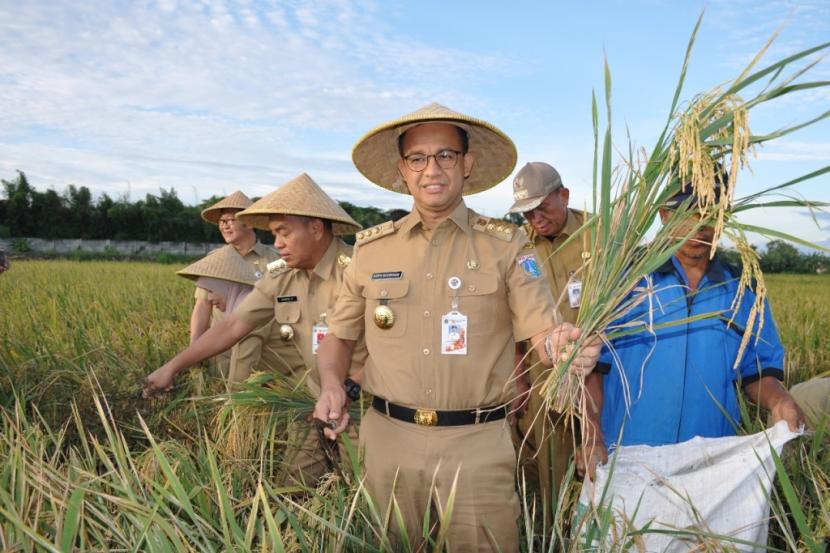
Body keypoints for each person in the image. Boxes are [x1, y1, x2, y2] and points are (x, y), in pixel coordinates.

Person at [313, 103, 601, 551]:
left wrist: (564, 345)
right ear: (403, 170)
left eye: (446, 155)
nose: (433, 169)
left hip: (478, 447)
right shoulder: (371, 251)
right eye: (418, 158)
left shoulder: (507, 246)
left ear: (466, 165)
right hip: (387, 442)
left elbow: (543, 331)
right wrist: (331, 384)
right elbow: (339, 338)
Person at [144, 173, 367, 484]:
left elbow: (397, 348)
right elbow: (235, 324)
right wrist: (174, 366)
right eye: (274, 234)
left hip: (365, 411)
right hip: (311, 404)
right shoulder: (281, 276)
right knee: (293, 488)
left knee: (364, 496)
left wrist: (349, 390)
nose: (277, 244)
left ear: (316, 229)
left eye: (283, 233)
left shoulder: (361, 271)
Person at [579, 177, 806, 479]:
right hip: (627, 457)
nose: (700, 228)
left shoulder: (743, 288)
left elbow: (758, 372)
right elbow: (591, 368)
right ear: (663, 215)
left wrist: (780, 400)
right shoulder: (626, 281)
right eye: (687, 214)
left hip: (710, 461)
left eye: (711, 215)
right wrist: (591, 432)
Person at [506, 161, 590, 521]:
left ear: (564, 195)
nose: (536, 218)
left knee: (599, 462)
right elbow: (510, 323)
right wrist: (520, 381)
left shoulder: (600, 234)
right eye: (527, 212)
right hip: (544, 381)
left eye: (543, 207)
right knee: (550, 473)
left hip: (598, 374)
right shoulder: (519, 247)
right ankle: (553, 536)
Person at [194, 191, 279, 379]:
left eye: (229, 220)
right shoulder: (214, 261)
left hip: (263, 355)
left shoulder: (275, 260)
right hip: (221, 351)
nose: (224, 226)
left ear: (248, 223)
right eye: (221, 222)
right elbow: (202, 306)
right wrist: (194, 351)